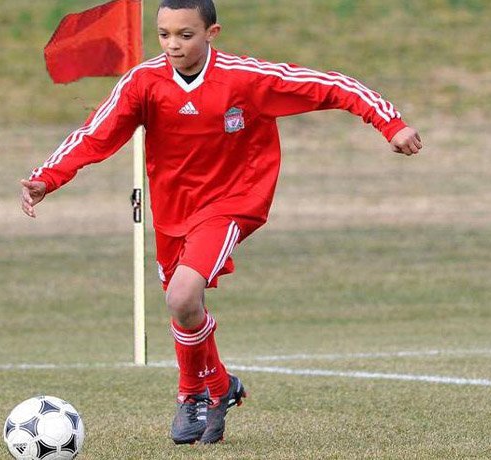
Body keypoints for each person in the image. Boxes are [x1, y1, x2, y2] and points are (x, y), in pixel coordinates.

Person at [21, 0, 423, 445]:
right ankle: (220, 386)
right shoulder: (144, 82)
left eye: (185, 35)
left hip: (233, 200)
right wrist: (46, 178)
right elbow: (96, 133)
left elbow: (331, 85)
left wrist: (391, 124)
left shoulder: (245, 78)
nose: (172, 44)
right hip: (173, 212)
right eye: (164, 34)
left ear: (211, 34)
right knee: (186, 308)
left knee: (182, 295)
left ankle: (191, 393)